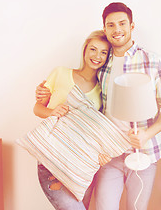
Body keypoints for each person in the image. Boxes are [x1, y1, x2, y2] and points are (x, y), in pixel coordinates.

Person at [93, 2, 161, 210]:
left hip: (144, 152)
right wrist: (47, 92)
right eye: (111, 25)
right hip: (110, 152)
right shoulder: (100, 61)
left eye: (122, 23)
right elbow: (85, 93)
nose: (117, 29)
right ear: (105, 29)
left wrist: (147, 134)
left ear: (132, 26)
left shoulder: (153, 61)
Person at [33, 30, 112, 210]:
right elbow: (37, 109)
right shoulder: (60, 73)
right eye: (93, 49)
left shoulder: (102, 90)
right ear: (85, 50)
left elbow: (98, 129)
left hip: (83, 164)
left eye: (103, 52)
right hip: (51, 159)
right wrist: (53, 111)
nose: (97, 56)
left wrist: (101, 152)